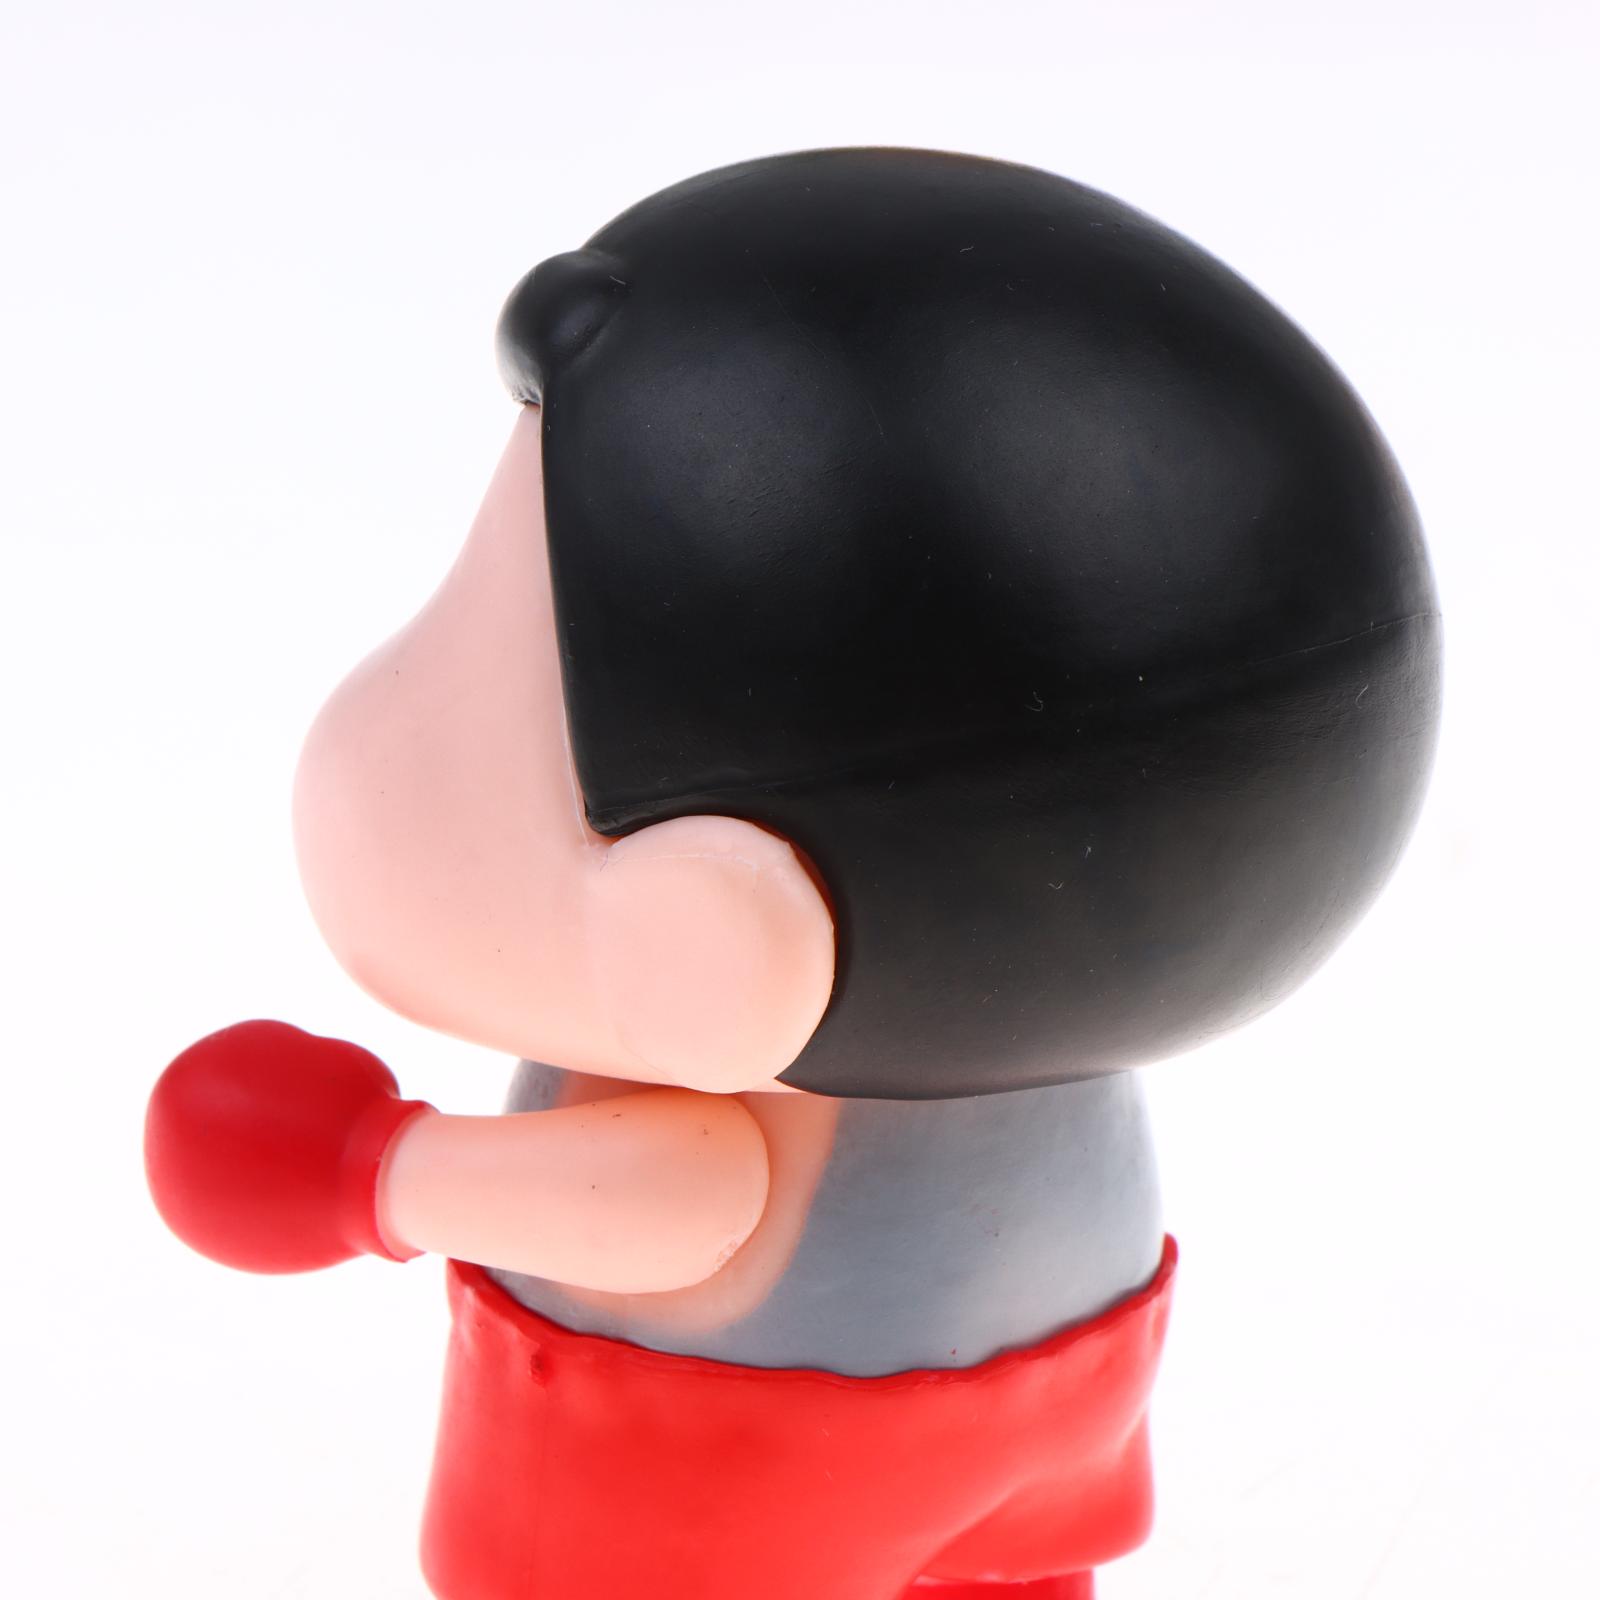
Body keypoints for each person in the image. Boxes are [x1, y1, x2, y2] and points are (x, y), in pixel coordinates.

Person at [146, 148, 1440, 1599]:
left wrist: (365, 1173)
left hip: (730, 1454)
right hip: (1072, 1375)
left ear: (716, 931)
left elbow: (680, 1199)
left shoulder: (726, 1051)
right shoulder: (1041, 1000)